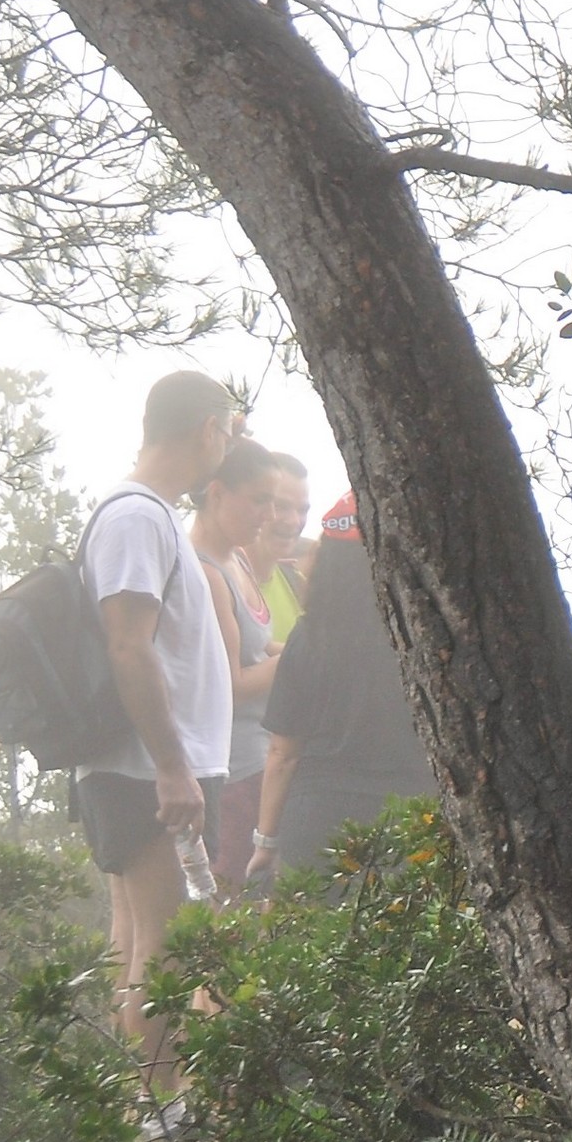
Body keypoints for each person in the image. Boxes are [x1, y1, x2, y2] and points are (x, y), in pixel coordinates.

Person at [75, 370, 238, 1097]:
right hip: (149, 771)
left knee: (140, 944)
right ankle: (161, 1111)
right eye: (227, 432)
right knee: (165, 950)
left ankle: (145, 1110)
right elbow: (128, 645)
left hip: (149, 767)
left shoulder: (150, 515)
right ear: (207, 430)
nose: (227, 445)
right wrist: (174, 768)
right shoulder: (137, 517)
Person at [243, 497, 438, 891]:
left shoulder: (309, 637)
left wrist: (266, 842)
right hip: (411, 813)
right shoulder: (423, 636)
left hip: (319, 818)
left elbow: (283, 753)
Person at [192, 442, 306, 884]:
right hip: (233, 769)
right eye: (261, 501)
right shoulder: (206, 573)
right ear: (217, 493)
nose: (269, 515)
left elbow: (259, 649)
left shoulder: (237, 556)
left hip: (263, 758)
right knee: (234, 897)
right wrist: (305, 652)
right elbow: (233, 683)